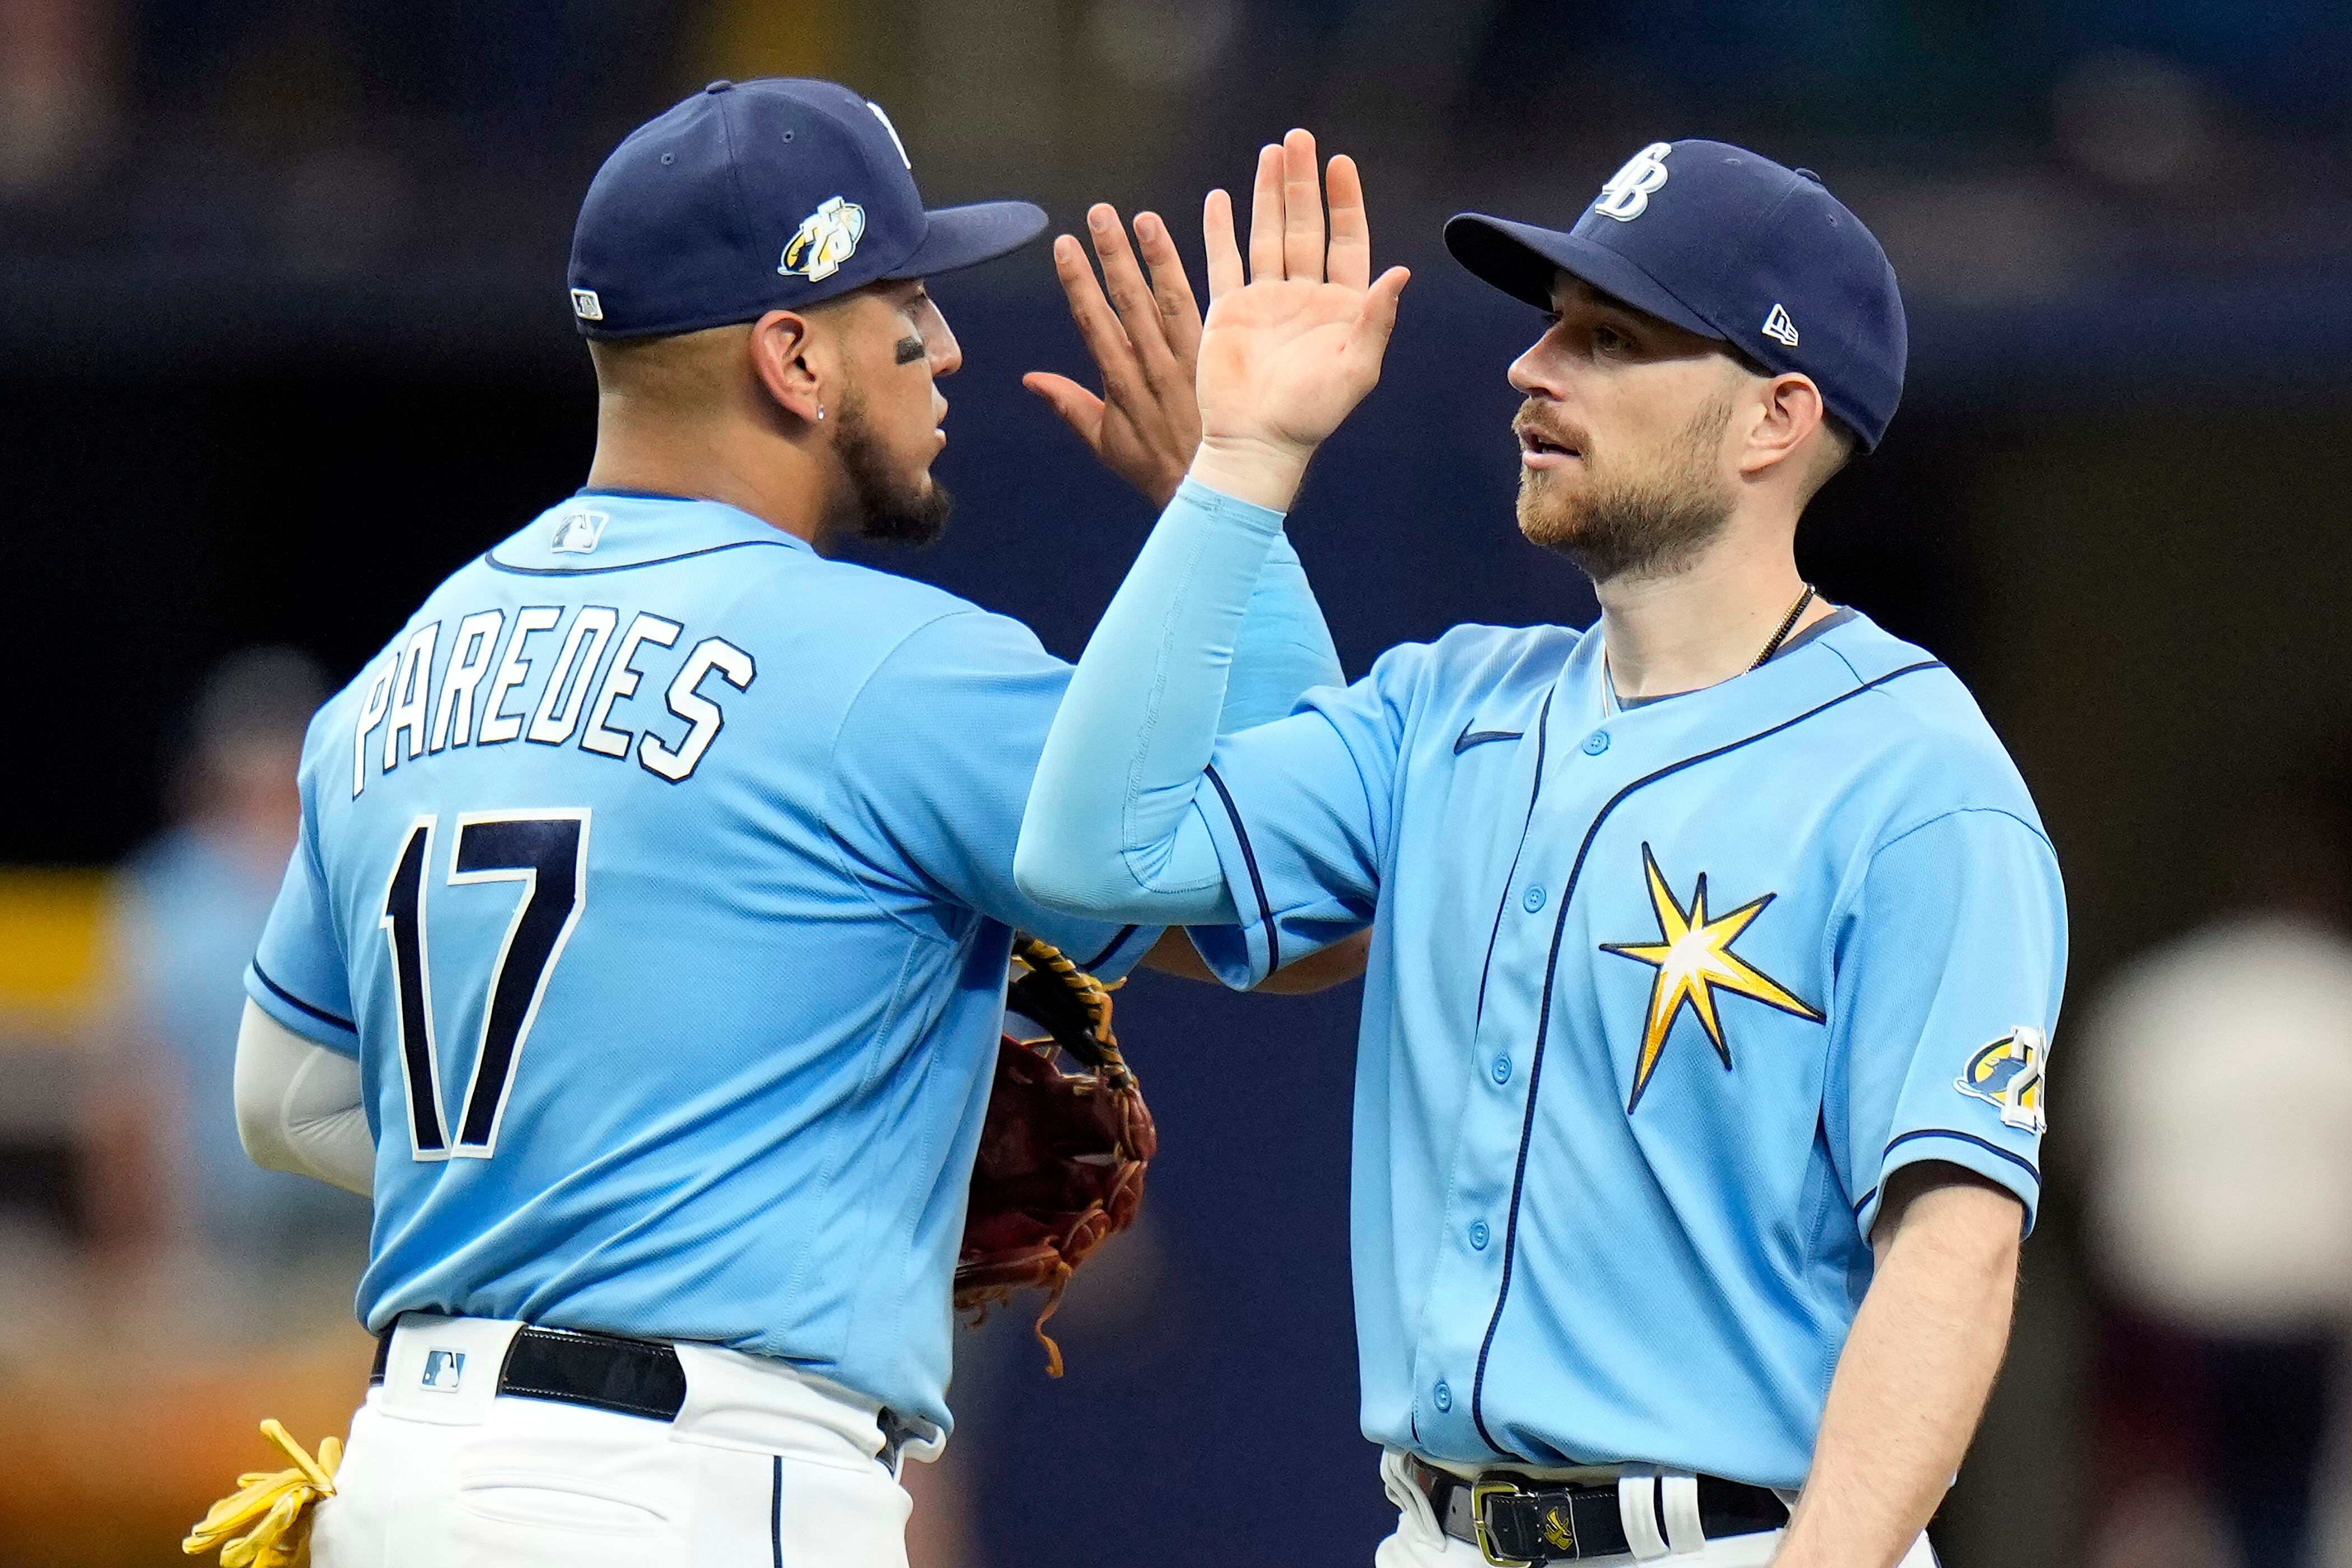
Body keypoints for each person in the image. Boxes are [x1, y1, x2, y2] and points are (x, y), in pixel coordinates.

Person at [226, 78, 1351, 1568]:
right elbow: (1312, 905)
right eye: (910, 307)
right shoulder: (891, 667)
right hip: (691, 1486)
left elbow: (286, 1098)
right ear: (795, 355)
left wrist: (616, 1174)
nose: (946, 348)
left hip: (409, 1470)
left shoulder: (406, 670)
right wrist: (1236, 512)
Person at [1015, 132, 2066, 1567]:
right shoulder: (1447, 703)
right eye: (1549, 323)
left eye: (1611, 337)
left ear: (1775, 419)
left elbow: (1955, 1247)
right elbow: (1093, 857)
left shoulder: (1917, 780)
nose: (1534, 366)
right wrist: (1238, 476)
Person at [2080, 754, 2352, 1568]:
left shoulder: (2158, 997)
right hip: (2287, 1313)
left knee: (2151, 1519)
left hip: (2165, 1312)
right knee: (2281, 1523)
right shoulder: (2337, 1000)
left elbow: (2085, 1154)